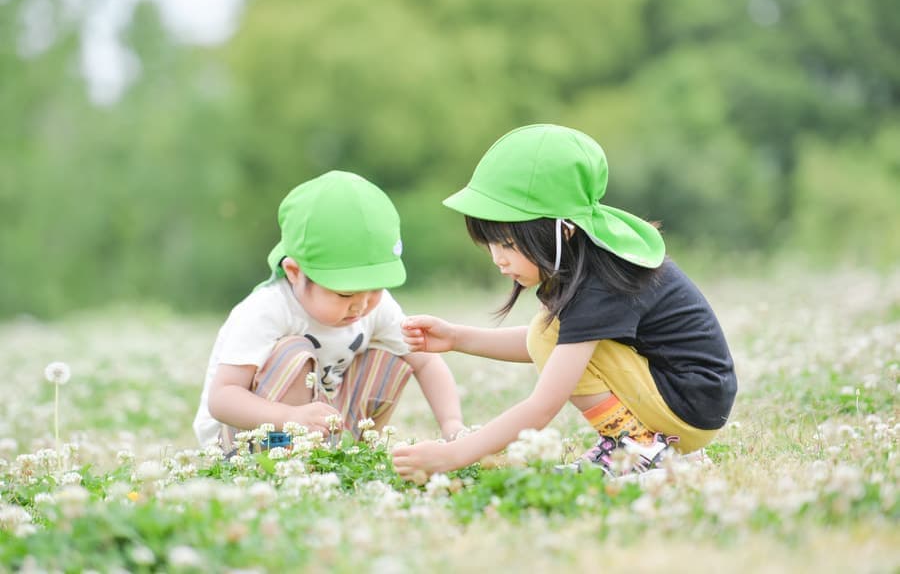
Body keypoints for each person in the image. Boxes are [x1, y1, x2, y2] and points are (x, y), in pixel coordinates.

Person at [392, 124, 736, 479]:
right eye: (491, 244)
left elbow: (543, 405)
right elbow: (556, 344)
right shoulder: (593, 260)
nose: (498, 259)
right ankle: (654, 448)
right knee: (546, 331)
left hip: (687, 406)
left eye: (509, 244)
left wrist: (453, 455)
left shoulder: (600, 283)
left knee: (546, 332)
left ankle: (635, 446)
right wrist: (456, 338)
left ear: (564, 230)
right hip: (689, 401)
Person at [193, 170, 465, 451]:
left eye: (375, 288)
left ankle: (348, 453)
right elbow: (222, 398)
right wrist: (290, 418)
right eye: (344, 292)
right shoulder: (268, 309)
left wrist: (452, 424)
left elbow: (427, 361)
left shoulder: (375, 306)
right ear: (294, 272)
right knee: (293, 351)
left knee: (395, 354)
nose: (361, 304)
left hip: (318, 425)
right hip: (245, 438)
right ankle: (287, 462)